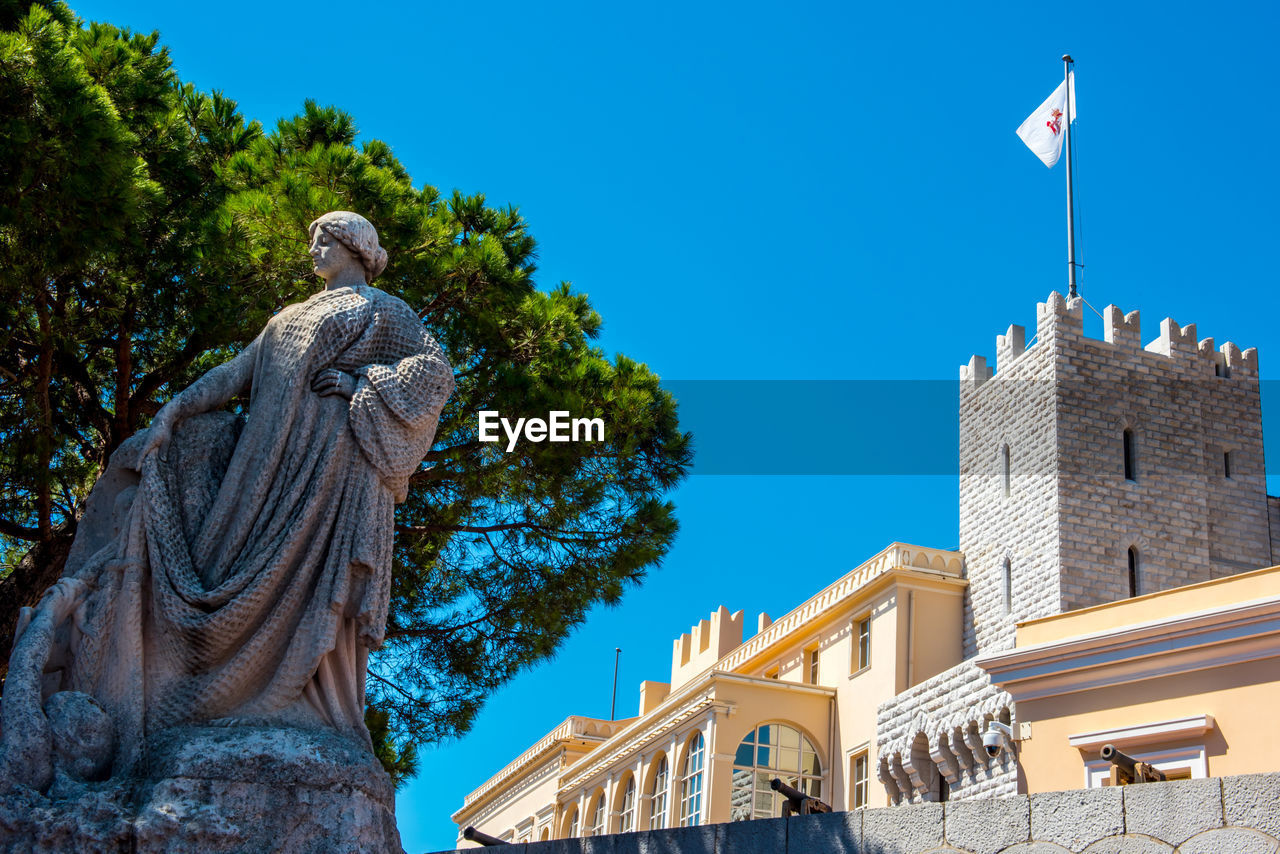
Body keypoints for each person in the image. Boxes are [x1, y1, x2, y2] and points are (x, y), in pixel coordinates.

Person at [2, 212, 453, 786]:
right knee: (187, 482)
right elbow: (235, 371)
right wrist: (175, 410)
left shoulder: (383, 309)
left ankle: (314, 707)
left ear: (354, 247)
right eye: (313, 237)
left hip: (332, 465)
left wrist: (362, 387)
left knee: (321, 591)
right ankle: (210, 696)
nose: (313, 247)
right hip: (262, 473)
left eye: (324, 238)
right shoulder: (287, 318)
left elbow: (434, 374)